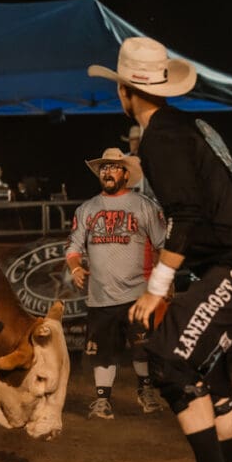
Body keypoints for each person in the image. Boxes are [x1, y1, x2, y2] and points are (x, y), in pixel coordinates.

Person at [90, 36, 232, 462]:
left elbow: (188, 216)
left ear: (125, 92)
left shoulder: (161, 137)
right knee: (204, 366)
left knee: (169, 359)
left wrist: (156, 290)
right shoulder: (183, 127)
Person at [65, 147, 166, 421]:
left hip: (138, 293)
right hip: (100, 296)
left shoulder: (144, 206)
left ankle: (145, 390)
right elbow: (73, 247)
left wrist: (161, 283)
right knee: (102, 352)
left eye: (112, 167)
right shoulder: (86, 209)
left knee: (142, 347)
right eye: (103, 168)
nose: (107, 172)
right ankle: (102, 400)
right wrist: (75, 268)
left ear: (125, 173)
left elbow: (161, 246)